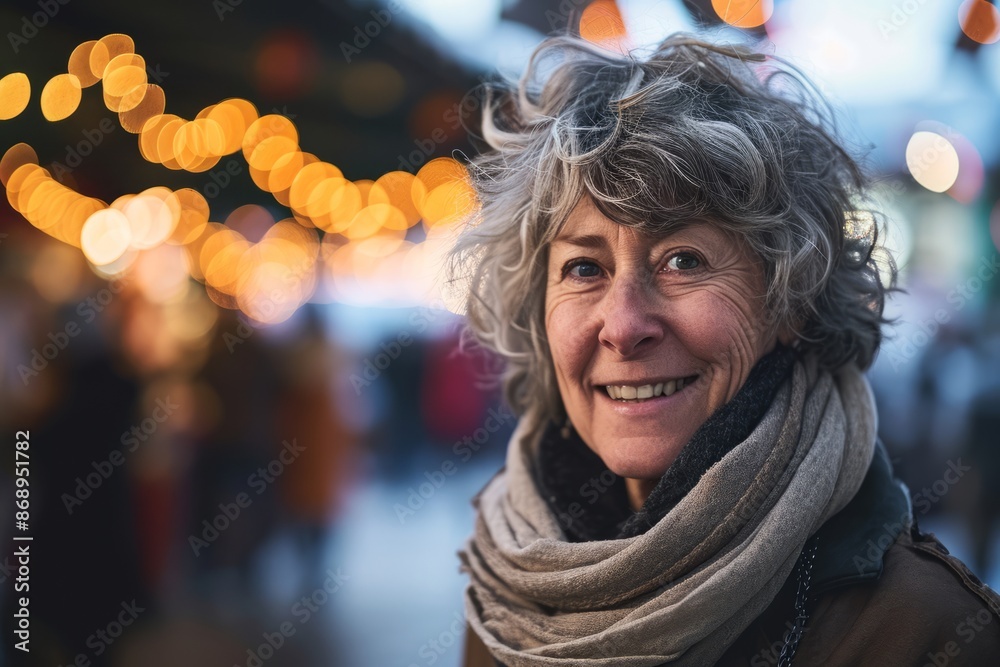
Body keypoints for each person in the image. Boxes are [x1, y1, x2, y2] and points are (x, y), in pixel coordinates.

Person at [447, 33, 1000, 666]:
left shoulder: (925, 635)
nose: (623, 326)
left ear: (791, 300)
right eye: (583, 269)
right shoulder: (506, 605)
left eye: (683, 260)